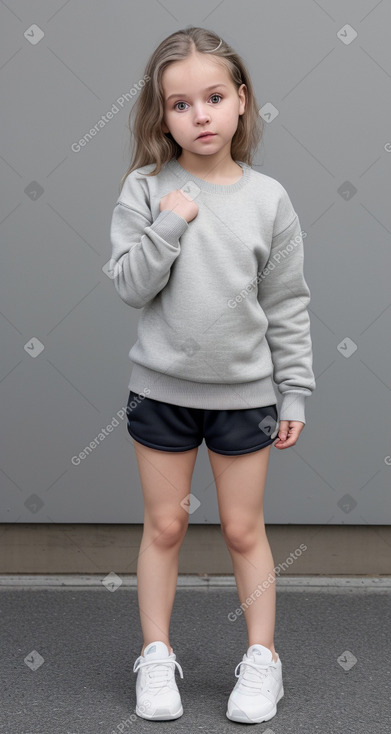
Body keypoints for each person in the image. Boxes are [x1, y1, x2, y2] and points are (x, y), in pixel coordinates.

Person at [109, 25, 316, 725]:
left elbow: (287, 302)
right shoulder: (145, 188)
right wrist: (167, 225)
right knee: (164, 526)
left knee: (240, 530)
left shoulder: (269, 199)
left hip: (246, 399)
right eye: (179, 104)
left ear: (240, 102)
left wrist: (294, 389)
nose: (198, 114)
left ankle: (263, 660)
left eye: (213, 97)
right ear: (160, 115)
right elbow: (130, 286)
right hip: (161, 393)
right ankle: (156, 655)